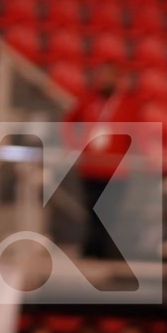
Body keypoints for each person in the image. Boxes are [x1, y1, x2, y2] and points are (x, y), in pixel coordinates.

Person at [62, 62, 142, 260]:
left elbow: (139, 134)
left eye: (110, 77)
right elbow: (69, 122)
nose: (105, 81)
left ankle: (104, 249)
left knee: (110, 212)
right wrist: (74, 145)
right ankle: (93, 249)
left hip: (116, 170)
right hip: (91, 167)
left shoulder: (128, 105)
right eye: (102, 77)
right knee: (93, 209)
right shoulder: (89, 100)